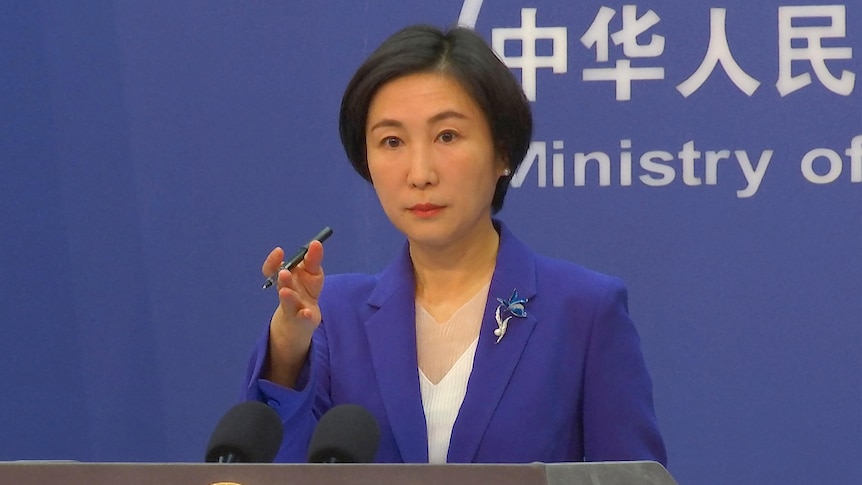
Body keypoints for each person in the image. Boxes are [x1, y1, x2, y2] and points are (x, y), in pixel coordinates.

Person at [243, 24, 667, 465]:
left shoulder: (584, 310)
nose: (420, 172)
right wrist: (288, 350)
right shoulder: (332, 314)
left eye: (447, 136)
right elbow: (278, 470)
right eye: (392, 141)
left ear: (503, 151)